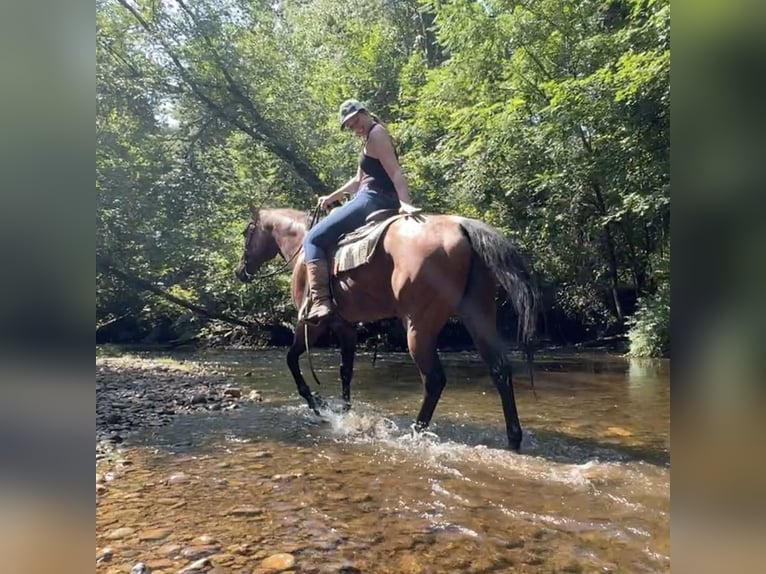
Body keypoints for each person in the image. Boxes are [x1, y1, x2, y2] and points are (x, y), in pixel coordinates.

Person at [302, 98, 418, 323]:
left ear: (365, 112)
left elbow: (395, 173)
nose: (355, 127)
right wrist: (332, 197)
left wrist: (405, 203)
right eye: (350, 126)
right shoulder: (369, 139)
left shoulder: (376, 134)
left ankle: (321, 302)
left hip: (371, 200)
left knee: (312, 239)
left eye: (356, 121)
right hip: (370, 197)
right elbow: (357, 181)